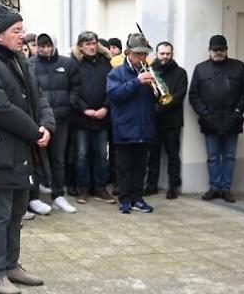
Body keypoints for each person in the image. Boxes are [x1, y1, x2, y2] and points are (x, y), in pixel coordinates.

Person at [0, 3, 53, 294]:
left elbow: (38, 96)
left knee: (18, 211)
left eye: (21, 29)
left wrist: (47, 124)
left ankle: (11, 265)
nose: (22, 36)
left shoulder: (18, 58)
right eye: (16, 31)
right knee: (1, 213)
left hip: (20, 149)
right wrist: (35, 131)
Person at [188, 34, 244, 203]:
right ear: (209, 51)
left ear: (226, 50)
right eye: (215, 50)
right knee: (213, 156)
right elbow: (193, 95)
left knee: (229, 156)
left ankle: (226, 188)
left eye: (221, 49)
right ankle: (215, 187)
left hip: (232, 119)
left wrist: (238, 111)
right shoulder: (201, 69)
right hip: (210, 120)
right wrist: (204, 113)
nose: (218, 52)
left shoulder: (238, 67)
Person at [28, 33, 79, 214]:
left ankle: (58, 194)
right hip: (38, 122)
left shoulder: (67, 64)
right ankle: (33, 197)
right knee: (35, 161)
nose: (45, 49)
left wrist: (68, 104)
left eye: (48, 45)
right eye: (41, 46)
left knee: (58, 159)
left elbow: (75, 87)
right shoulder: (30, 64)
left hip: (61, 120)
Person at [106, 33, 157, 214]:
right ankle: (125, 199)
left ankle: (138, 198)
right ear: (128, 53)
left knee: (140, 166)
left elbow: (158, 100)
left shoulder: (150, 71)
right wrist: (137, 82)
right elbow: (114, 96)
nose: (142, 58)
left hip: (144, 127)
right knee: (124, 167)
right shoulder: (116, 72)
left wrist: (156, 90)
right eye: (138, 54)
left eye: (144, 54)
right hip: (125, 128)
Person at [71, 30, 114, 204]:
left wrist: (105, 106)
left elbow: (112, 87)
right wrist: (84, 109)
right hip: (82, 118)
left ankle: (100, 188)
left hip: (102, 117)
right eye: (88, 44)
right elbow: (71, 90)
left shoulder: (106, 63)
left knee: (102, 155)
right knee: (81, 154)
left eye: (94, 43)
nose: (91, 47)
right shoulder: (74, 64)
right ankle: (83, 188)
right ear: (81, 46)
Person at [145, 41, 188, 200]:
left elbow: (179, 96)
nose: (165, 56)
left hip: (172, 121)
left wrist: (161, 107)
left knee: (172, 155)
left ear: (172, 54)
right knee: (153, 155)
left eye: (168, 54)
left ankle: (173, 187)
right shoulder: (150, 72)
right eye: (162, 53)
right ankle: (151, 185)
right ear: (156, 54)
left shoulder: (181, 73)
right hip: (153, 120)